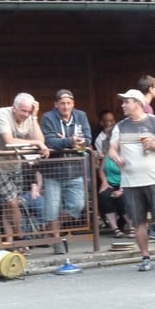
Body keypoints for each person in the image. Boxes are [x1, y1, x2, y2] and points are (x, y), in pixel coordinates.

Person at [108, 89, 155, 271]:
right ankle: (145, 257)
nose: (123, 105)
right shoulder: (120, 126)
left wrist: (154, 144)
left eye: (127, 101)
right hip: (131, 181)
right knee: (137, 220)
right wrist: (115, 156)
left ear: (138, 103)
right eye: (123, 102)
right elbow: (112, 148)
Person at [0, 92, 49, 253]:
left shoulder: (30, 117)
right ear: (14, 108)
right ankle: (21, 238)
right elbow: (9, 141)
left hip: (15, 166)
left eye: (29, 111)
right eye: (23, 111)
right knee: (12, 203)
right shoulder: (2, 114)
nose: (26, 115)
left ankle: (10, 243)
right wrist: (35, 142)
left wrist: (34, 117)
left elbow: (41, 140)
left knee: (9, 205)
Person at [40, 89, 91, 254]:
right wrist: (69, 141)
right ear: (56, 104)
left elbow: (88, 138)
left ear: (73, 104)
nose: (66, 106)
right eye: (62, 103)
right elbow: (49, 141)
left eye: (69, 103)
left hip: (75, 169)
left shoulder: (81, 116)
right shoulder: (48, 117)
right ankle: (57, 241)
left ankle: (49, 227)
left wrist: (68, 141)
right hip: (53, 171)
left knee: (78, 205)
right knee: (52, 208)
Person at [97, 121, 134, 238]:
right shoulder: (109, 152)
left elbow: (129, 173)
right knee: (104, 196)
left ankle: (132, 226)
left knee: (122, 198)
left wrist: (121, 190)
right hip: (111, 183)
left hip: (126, 184)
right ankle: (115, 228)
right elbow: (101, 170)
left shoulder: (126, 152)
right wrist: (104, 182)